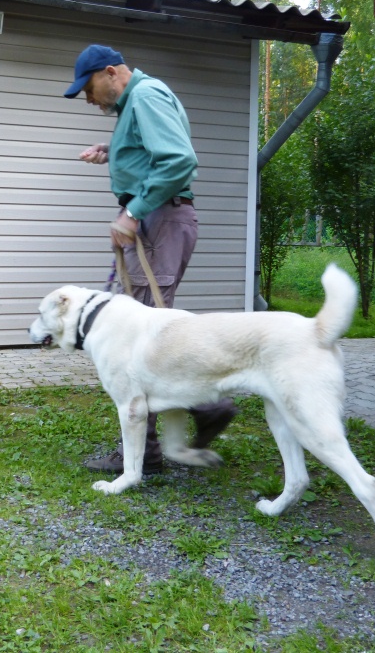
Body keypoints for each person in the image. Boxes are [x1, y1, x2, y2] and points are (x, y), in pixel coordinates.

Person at [63, 43, 238, 474]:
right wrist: (114, 149)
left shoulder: (144, 95)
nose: (88, 99)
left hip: (159, 219)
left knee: (143, 334)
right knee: (149, 328)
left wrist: (132, 212)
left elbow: (179, 160)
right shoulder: (138, 102)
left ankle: (196, 414)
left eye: (88, 90)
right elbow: (154, 150)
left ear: (110, 74)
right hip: (157, 219)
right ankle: (184, 422)